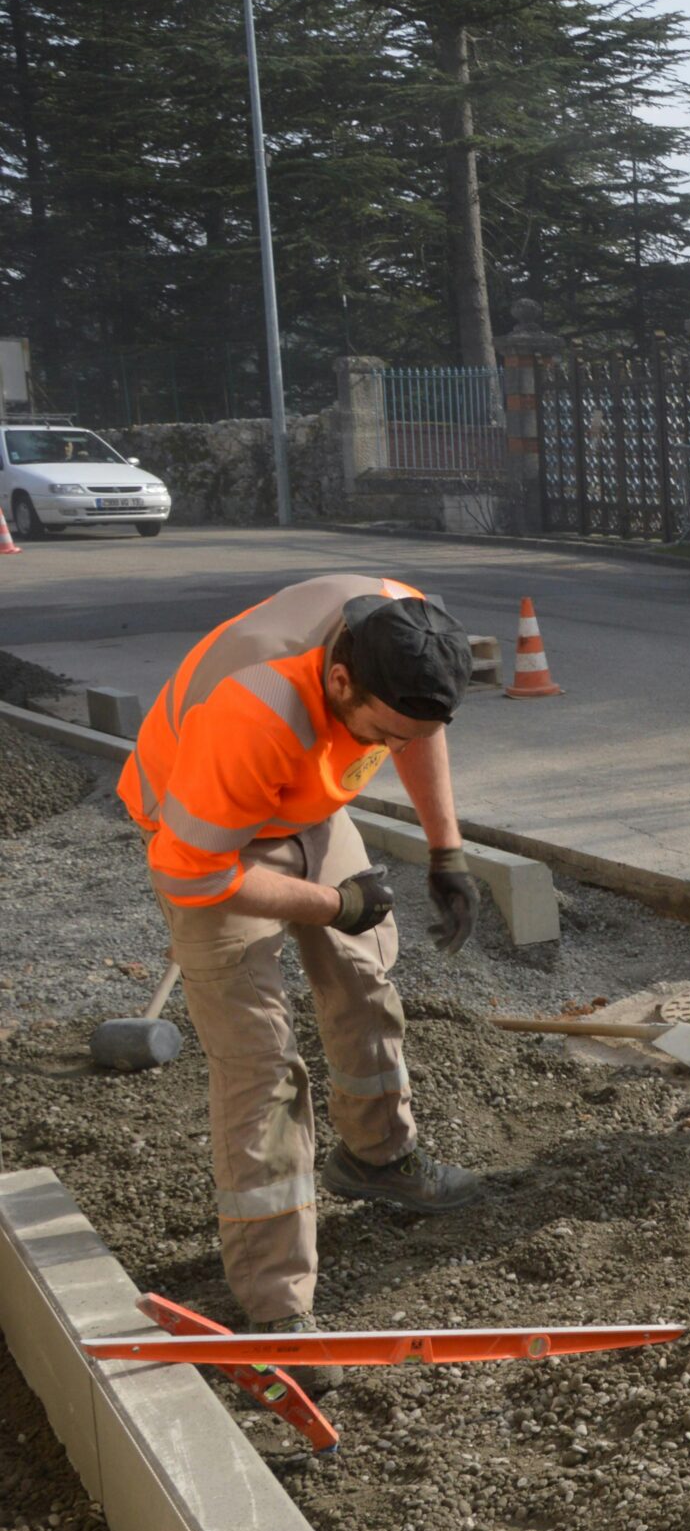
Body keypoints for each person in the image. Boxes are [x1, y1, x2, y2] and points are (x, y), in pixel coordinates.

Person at [117, 574, 487, 1376]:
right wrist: (329, 902)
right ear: (340, 680)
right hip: (207, 833)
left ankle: (378, 1160)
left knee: (364, 977)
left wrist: (446, 850)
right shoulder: (255, 708)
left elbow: (417, 729)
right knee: (260, 1065)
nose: (392, 748)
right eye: (381, 733)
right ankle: (277, 1312)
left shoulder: (403, 629)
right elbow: (194, 873)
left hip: (302, 800)